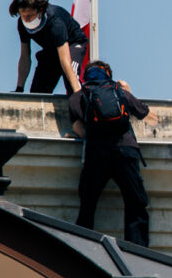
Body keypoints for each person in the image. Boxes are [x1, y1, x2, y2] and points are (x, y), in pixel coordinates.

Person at [68, 60, 158, 247]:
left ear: (86, 76)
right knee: (135, 202)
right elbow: (152, 120)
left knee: (88, 202)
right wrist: (129, 94)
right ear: (108, 73)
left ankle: (83, 248)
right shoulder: (120, 92)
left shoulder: (77, 97)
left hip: (96, 152)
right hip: (125, 150)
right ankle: (137, 250)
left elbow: (79, 128)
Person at [9, 0, 87, 94]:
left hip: (72, 44)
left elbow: (65, 60)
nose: (27, 20)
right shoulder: (22, 25)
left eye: (30, 15)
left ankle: (80, 100)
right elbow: (24, 57)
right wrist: (19, 88)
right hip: (51, 50)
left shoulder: (55, 22)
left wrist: (76, 92)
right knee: (37, 91)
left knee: (71, 81)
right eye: (23, 16)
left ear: (40, 11)